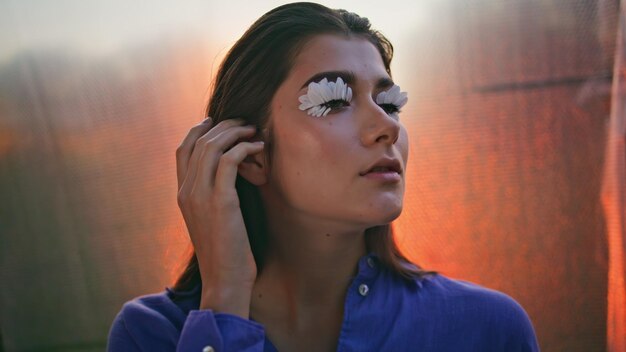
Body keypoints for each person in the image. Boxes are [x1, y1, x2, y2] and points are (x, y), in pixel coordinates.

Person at [106, 2, 540, 351]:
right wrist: (224, 299)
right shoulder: (150, 336)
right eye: (332, 100)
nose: (386, 126)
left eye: (389, 103)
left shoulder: (487, 329)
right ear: (251, 156)